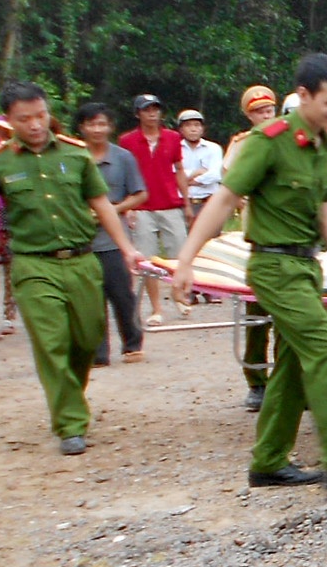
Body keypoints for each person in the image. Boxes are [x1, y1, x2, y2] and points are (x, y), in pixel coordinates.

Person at [171, 55, 327, 491]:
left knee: (293, 363)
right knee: (322, 349)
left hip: (306, 265)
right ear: (303, 96)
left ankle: (268, 461)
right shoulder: (268, 140)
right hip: (272, 265)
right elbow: (224, 201)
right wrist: (186, 259)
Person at [0, 84, 142, 453]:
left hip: (83, 260)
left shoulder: (76, 155)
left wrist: (127, 249)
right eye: (25, 119)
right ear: (10, 121)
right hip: (33, 264)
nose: (36, 124)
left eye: (40, 115)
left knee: (87, 339)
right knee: (51, 341)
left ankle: (69, 395)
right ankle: (71, 423)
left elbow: (101, 203)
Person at [74, 103, 147, 367]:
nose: (97, 129)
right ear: (81, 127)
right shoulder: (72, 157)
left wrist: (112, 210)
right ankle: (98, 352)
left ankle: (132, 344)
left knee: (122, 295)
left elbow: (141, 193)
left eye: (102, 124)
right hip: (81, 241)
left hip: (114, 240)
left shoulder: (123, 157)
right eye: (91, 124)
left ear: (111, 127)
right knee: (90, 300)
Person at [227, 85, 281, 410]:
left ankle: (291, 383)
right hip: (257, 239)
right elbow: (231, 187)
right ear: (248, 115)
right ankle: (257, 382)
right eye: (259, 111)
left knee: (290, 323)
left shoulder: (288, 140)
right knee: (256, 316)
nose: (265, 115)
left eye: (269, 110)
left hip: (290, 241)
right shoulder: (242, 145)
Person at [119, 93, 189, 326]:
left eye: (156, 109)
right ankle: (157, 307)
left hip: (170, 203)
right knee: (147, 260)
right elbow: (124, 176)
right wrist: (127, 206)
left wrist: (186, 202)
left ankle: (179, 296)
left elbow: (179, 169)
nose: (152, 113)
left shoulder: (172, 137)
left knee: (179, 255)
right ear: (138, 113)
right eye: (147, 109)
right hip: (142, 206)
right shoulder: (127, 141)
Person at [178, 110, 223, 228]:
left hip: (209, 202)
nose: (193, 129)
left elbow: (216, 174)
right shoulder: (175, 148)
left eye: (197, 125)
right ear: (181, 130)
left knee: (211, 240)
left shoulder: (213, 148)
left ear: (203, 128)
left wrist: (187, 180)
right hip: (182, 203)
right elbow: (172, 174)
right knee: (183, 240)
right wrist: (197, 172)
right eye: (188, 125)